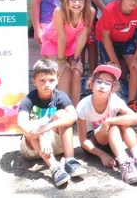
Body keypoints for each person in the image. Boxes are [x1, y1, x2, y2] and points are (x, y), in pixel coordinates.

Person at [76, 64, 137, 184]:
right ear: (92, 84)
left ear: (113, 88)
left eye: (108, 83)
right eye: (99, 81)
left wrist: (109, 121)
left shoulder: (114, 100)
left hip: (114, 141)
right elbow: (83, 141)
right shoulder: (83, 105)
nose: (102, 86)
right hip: (95, 145)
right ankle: (125, 164)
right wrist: (102, 155)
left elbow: (135, 117)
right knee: (114, 127)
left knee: (125, 127)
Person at [17, 59, 86, 187]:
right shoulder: (29, 99)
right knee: (30, 124)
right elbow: (21, 124)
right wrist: (40, 135)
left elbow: (73, 116)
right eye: (42, 80)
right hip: (32, 147)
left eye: (51, 80)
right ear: (34, 81)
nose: (47, 84)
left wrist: (46, 127)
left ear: (57, 80)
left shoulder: (60, 96)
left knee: (63, 115)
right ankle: (54, 167)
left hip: (53, 144)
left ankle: (70, 161)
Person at [95, 0, 137, 112]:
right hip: (107, 41)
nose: (133, 1)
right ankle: (108, 103)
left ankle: (132, 102)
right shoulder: (110, 10)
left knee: (135, 67)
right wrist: (114, 61)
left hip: (127, 40)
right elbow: (105, 37)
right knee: (111, 70)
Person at [41, 0, 95, 105]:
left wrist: (76, 59)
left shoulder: (90, 12)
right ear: (66, 0)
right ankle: (62, 109)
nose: (77, 3)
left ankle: (75, 111)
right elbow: (61, 37)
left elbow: (83, 37)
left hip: (71, 43)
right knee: (64, 72)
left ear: (85, 0)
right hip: (53, 42)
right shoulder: (59, 11)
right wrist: (61, 61)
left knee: (76, 71)